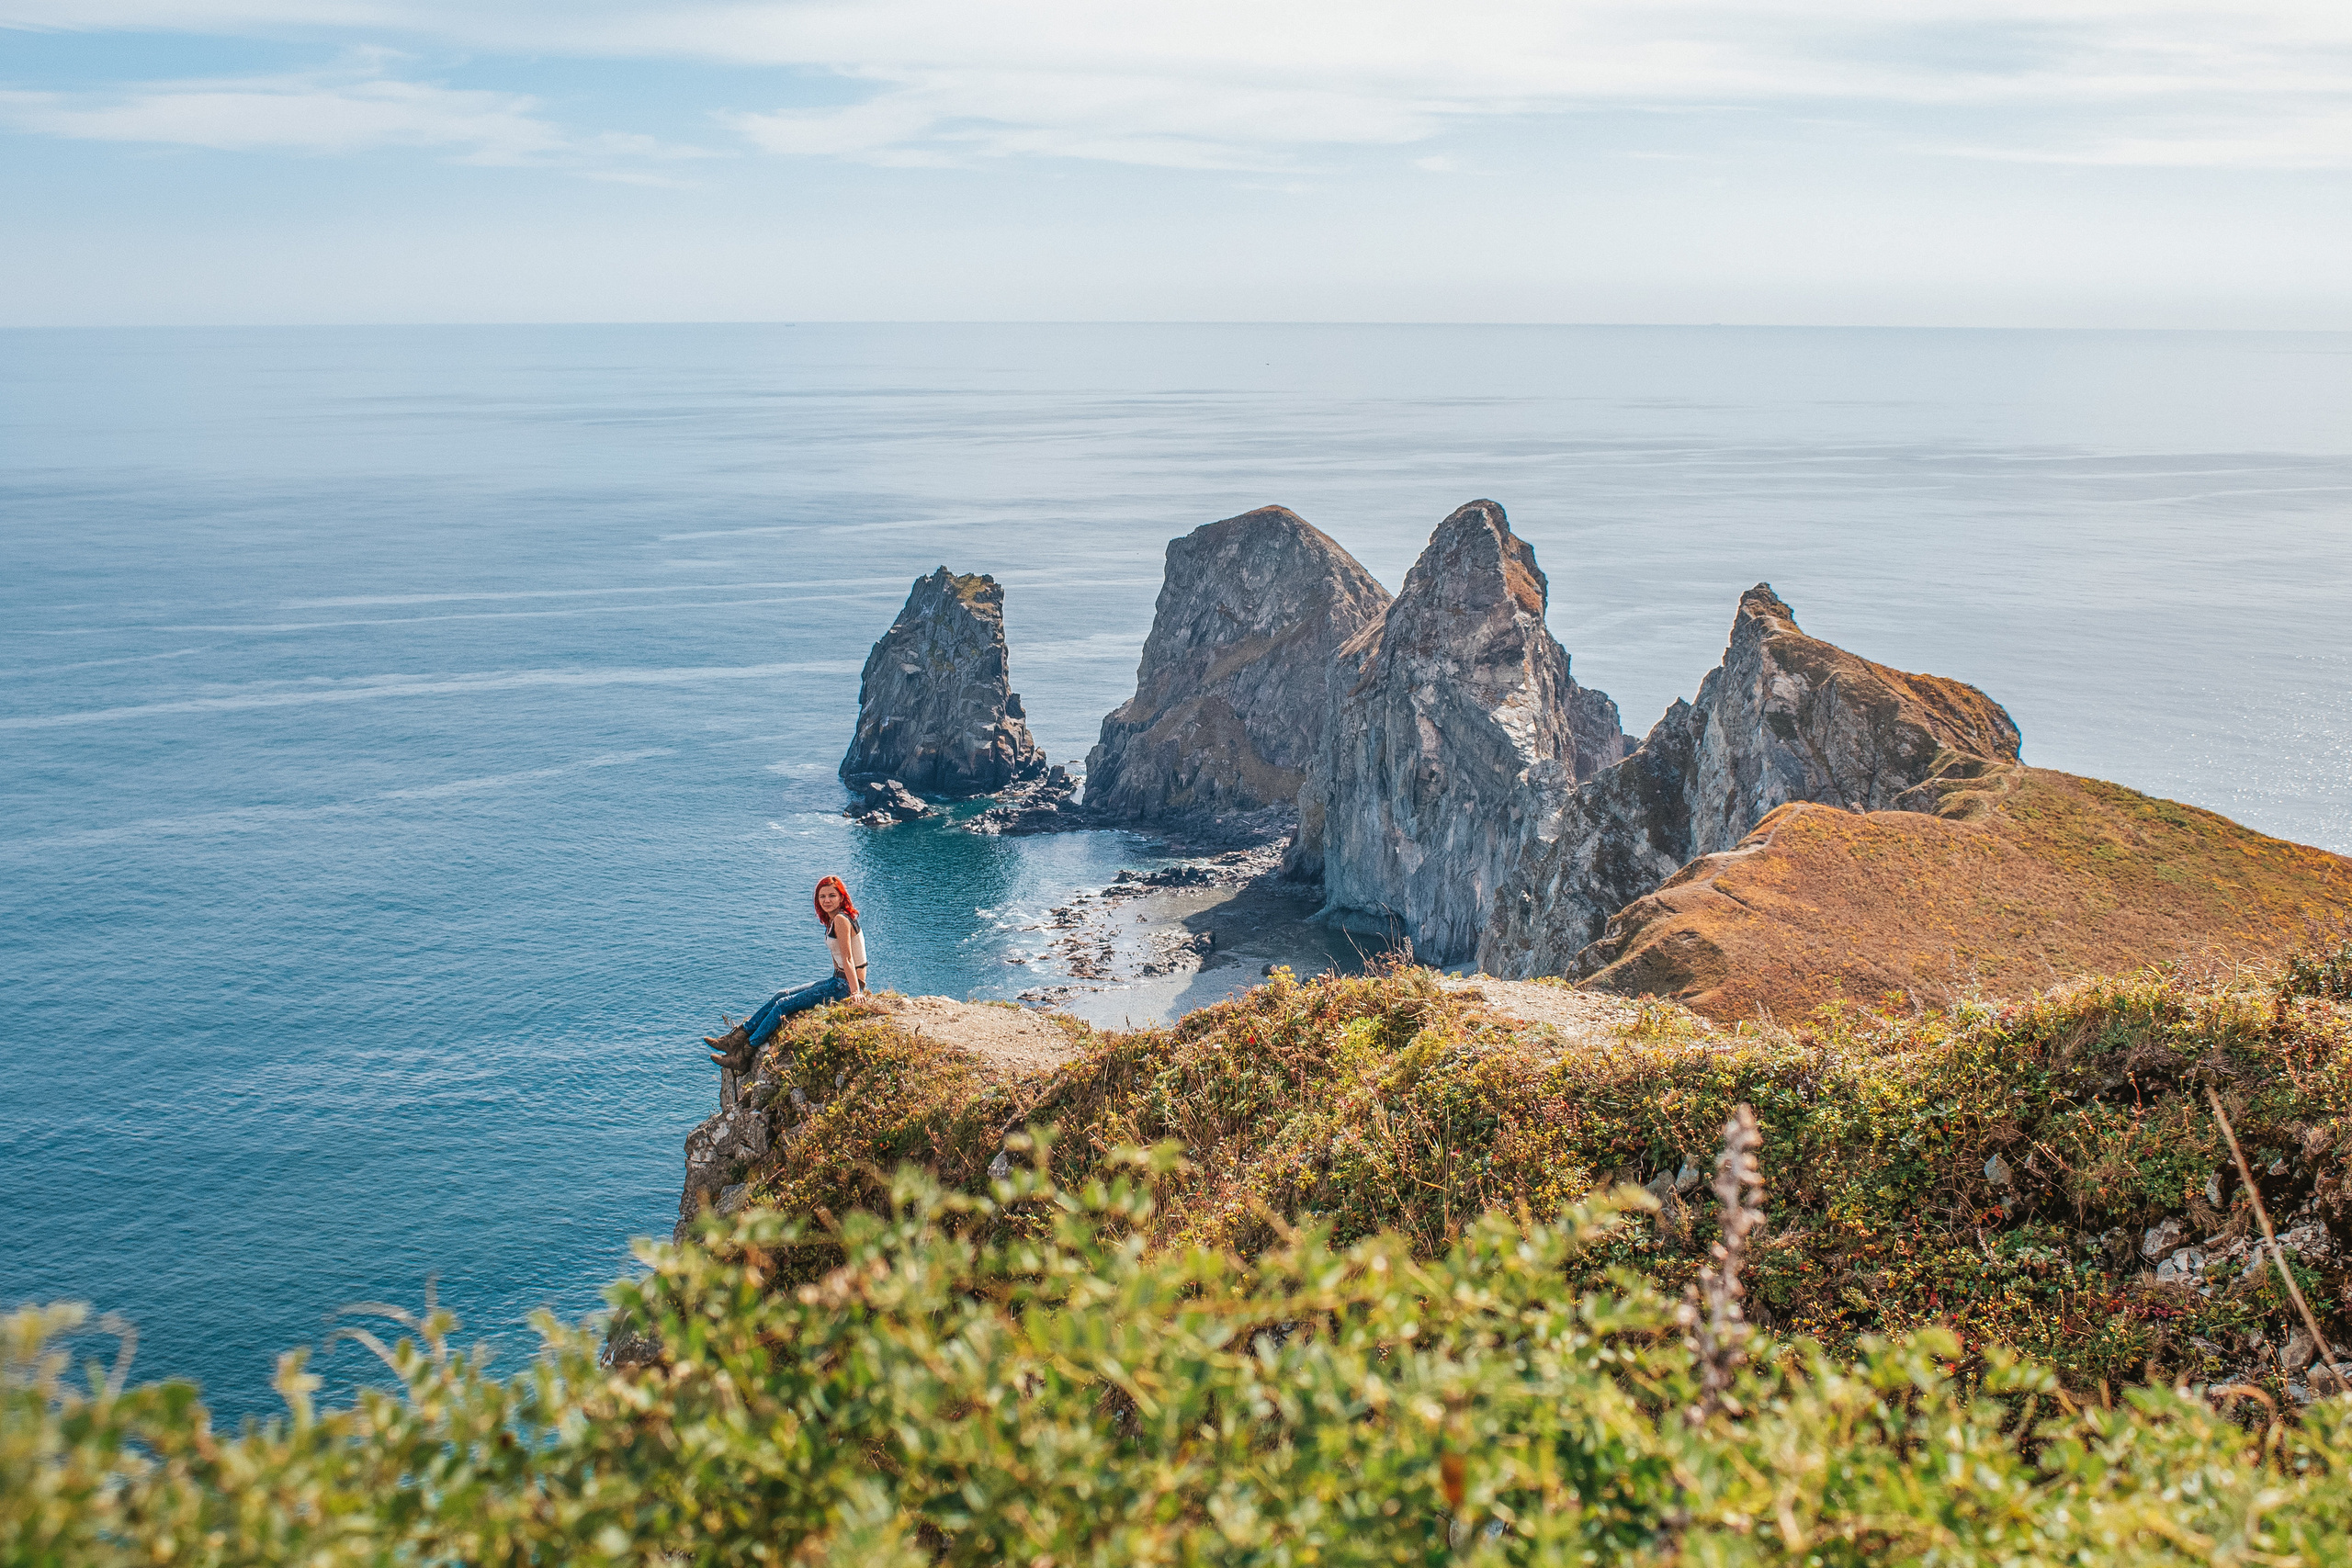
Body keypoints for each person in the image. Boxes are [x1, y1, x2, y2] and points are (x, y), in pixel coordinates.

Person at [703, 875, 868, 1071]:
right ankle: (734, 1039)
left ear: (842, 897)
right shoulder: (833, 920)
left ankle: (744, 1053)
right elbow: (838, 957)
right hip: (838, 979)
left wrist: (855, 992)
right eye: (822, 896)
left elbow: (848, 959)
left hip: (845, 985)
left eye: (832, 895)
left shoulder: (841, 920)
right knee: (781, 995)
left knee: (783, 1005)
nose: (827, 900)